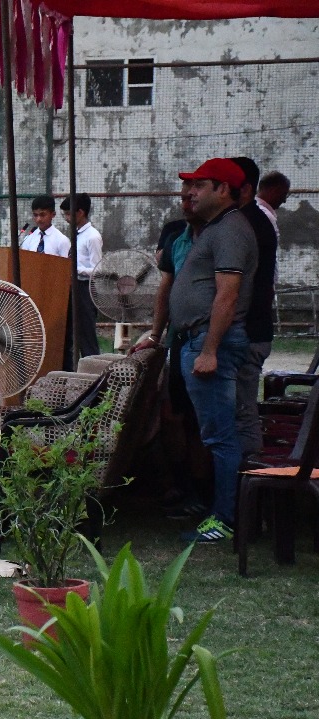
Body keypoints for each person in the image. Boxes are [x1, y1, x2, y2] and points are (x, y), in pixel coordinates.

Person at [133, 158, 255, 544]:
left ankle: (225, 518)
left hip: (208, 341)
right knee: (212, 433)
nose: (189, 192)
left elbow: (228, 296)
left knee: (220, 436)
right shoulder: (215, 229)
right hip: (194, 340)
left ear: (223, 189)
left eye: (199, 185)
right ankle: (219, 511)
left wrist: (210, 350)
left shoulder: (231, 229)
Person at [225, 157, 277, 460]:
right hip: (249, 330)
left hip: (248, 332)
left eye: (223, 186)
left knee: (242, 411)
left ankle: (248, 479)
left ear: (243, 189)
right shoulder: (247, 221)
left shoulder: (247, 224)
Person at [62, 193, 101, 366]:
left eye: (69, 214)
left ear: (80, 212)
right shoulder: (76, 234)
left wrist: (74, 269)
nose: (67, 218)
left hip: (85, 288)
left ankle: (93, 373)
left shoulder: (92, 236)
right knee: (68, 333)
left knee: (86, 336)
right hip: (71, 286)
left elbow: (98, 269)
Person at [256, 171, 289, 235]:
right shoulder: (266, 216)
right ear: (273, 191)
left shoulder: (248, 210)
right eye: (283, 194)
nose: (284, 201)